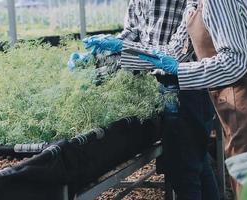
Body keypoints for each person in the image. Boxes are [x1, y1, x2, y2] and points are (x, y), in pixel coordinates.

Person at [92, 0, 247, 198]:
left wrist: (179, 70)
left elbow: (235, 61)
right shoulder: (193, 5)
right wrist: (118, 52)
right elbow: (173, 51)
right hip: (233, 99)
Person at [68, 0, 220, 199]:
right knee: (194, 163)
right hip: (161, 84)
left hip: (186, 85)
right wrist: (98, 54)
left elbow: (176, 52)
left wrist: (121, 48)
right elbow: (132, 31)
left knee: (186, 170)